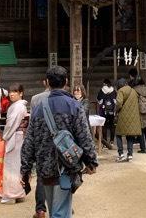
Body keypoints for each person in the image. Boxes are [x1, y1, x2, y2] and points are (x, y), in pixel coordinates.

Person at [21, 66, 98, 218]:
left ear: (48, 82)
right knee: (61, 213)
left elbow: (29, 140)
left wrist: (25, 168)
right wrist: (91, 161)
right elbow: (84, 136)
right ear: (66, 81)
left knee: (54, 210)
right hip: (67, 165)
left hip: (45, 167)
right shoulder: (74, 106)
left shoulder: (37, 109)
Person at [0, 83, 29, 204]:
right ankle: (19, 193)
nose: (11, 94)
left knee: (12, 165)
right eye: (10, 92)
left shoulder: (18, 107)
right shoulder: (18, 106)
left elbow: (11, 124)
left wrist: (4, 136)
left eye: (15, 92)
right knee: (17, 165)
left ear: (21, 93)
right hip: (18, 136)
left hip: (14, 136)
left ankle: (11, 194)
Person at [29, 80, 50, 218]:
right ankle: (64, 206)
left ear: (45, 82)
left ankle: (40, 210)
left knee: (42, 178)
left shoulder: (36, 99)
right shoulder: (69, 98)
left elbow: (32, 125)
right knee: (62, 176)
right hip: (62, 145)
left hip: (41, 143)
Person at [115, 77, 141, 162]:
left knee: (118, 134)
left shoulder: (121, 91)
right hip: (133, 117)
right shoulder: (133, 91)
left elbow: (119, 103)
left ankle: (121, 154)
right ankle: (130, 155)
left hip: (123, 116)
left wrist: (116, 110)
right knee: (130, 136)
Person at [96, 78, 117, 147]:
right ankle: (112, 141)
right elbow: (116, 100)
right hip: (112, 111)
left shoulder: (102, 90)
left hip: (103, 110)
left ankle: (105, 142)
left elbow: (98, 99)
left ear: (104, 84)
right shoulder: (113, 90)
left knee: (104, 125)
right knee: (112, 126)